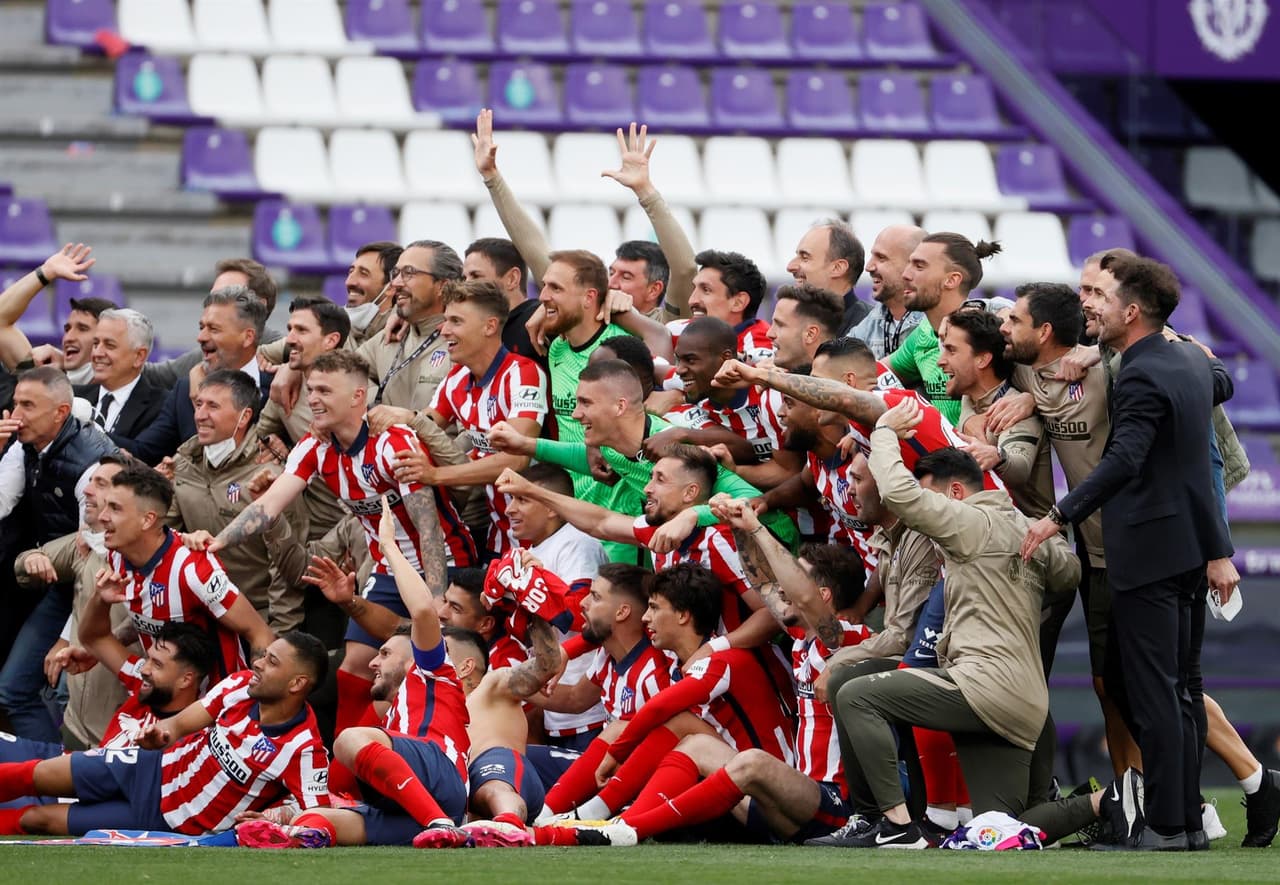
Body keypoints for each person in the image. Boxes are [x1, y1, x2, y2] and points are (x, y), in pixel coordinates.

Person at [1021, 253, 1237, 851]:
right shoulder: (1190, 358)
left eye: (1101, 297)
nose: (1088, 304)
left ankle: (1167, 824)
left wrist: (1059, 513)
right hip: (1191, 548)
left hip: (1148, 552)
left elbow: (1124, 460)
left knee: (1154, 692)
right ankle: (1187, 823)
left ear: (1132, 312)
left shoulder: (1141, 373)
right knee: (1183, 689)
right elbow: (1225, 384)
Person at [831, 400, 1088, 848]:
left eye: (934, 498)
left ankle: (894, 827)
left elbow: (899, 496)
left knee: (855, 694)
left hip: (982, 687)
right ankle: (1111, 802)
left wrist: (885, 433)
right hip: (1026, 703)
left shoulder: (970, 521)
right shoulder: (1027, 530)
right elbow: (1069, 575)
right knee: (1004, 824)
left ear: (953, 494)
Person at [208, 349, 473, 734]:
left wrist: (435, 600)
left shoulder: (393, 442)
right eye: (311, 389)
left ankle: (423, 747)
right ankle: (346, 768)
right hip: (387, 569)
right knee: (356, 666)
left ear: (358, 397)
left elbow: (429, 527)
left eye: (325, 391)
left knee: (424, 664)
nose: (313, 399)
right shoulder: (315, 447)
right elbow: (269, 506)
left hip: (445, 564)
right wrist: (215, 543)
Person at [572, 510, 871, 848]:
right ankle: (615, 821)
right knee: (697, 744)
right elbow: (765, 584)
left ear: (823, 595)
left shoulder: (845, 638)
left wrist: (758, 528)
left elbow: (660, 707)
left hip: (836, 804)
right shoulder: (802, 638)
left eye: (797, 577)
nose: (784, 587)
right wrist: (740, 527)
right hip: (795, 796)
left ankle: (630, 829)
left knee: (751, 761)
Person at [532, 563, 795, 832]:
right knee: (627, 728)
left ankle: (617, 821)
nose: (645, 618)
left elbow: (659, 707)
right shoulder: (672, 659)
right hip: (717, 787)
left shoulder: (724, 659)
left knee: (682, 726)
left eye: (655, 608)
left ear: (682, 616)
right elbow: (608, 629)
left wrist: (617, 752)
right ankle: (548, 816)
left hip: (765, 797)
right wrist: (564, 652)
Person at [0, 631, 331, 836]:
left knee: (37, 820)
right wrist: (160, 735)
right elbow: (181, 723)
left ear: (297, 683)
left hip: (169, 818)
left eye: (271, 662)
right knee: (38, 773)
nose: (258, 664)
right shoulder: (241, 685)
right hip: (151, 766)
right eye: (264, 656)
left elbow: (318, 817)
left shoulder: (304, 750)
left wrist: (277, 817)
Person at [488, 359, 799, 556]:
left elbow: (751, 502)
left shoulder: (673, 451)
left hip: (773, 545)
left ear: (620, 407)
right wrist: (524, 444)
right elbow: (590, 460)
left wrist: (692, 515)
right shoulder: (614, 445)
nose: (576, 413)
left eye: (585, 403)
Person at [494, 447, 783, 657]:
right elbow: (601, 522)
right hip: (689, 672)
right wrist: (533, 491)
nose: (647, 487)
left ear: (690, 493)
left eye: (659, 479)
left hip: (741, 672)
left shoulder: (717, 539)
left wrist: (714, 649)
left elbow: (771, 614)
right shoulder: (656, 531)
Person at [474, 114, 694, 323]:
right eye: (612, 272)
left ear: (654, 289)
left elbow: (685, 269)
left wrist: (645, 191)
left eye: (626, 277)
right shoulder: (589, 313)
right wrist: (492, 177)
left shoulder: (666, 324)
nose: (612, 283)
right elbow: (536, 252)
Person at [0, 367, 117, 742]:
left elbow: (99, 557)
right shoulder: (24, 445)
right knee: (14, 687)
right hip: (55, 581)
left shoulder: (92, 466)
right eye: (15, 402)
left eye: (28, 405)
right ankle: (48, 785)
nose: (15, 414)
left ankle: (70, 786)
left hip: (101, 591)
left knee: (67, 692)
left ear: (60, 413)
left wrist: (69, 637)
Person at [395, 280, 548, 558]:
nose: (444, 330)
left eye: (456, 321)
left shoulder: (523, 373)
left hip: (540, 543)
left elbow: (516, 460)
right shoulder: (456, 378)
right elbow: (423, 428)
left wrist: (436, 476)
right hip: (498, 538)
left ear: (489, 326)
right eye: (445, 320)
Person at [98, 464, 276, 679]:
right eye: (105, 505)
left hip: (215, 702)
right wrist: (102, 646)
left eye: (115, 508)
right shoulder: (117, 555)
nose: (102, 516)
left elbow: (259, 633)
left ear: (147, 520)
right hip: (164, 696)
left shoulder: (194, 569)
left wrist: (253, 699)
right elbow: (151, 616)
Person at [531, 563, 676, 819]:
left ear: (622, 612)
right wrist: (507, 684)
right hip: (604, 768)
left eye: (595, 597)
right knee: (512, 755)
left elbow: (659, 751)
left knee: (524, 759)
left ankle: (542, 818)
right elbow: (575, 698)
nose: (583, 604)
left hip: (634, 783)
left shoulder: (653, 673)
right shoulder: (607, 654)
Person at [170, 370, 307, 633]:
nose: (200, 415)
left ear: (244, 416)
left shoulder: (272, 480)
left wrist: (277, 636)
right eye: (198, 404)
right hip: (198, 615)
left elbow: (286, 566)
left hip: (256, 617)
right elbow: (165, 539)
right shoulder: (183, 465)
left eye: (213, 406)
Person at [13, 453, 132, 749]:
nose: (88, 490)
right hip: (78, 722)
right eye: (90, 481)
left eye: (100, 484)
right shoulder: (89, 542)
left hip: (117, 733)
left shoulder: (154, 562)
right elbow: (28, 560)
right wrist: (32, 559)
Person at [112, 287, 272, 465]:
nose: (201, 337)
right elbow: (143, 452)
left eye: (214, 329)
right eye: (201, 327)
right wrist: (83, 427)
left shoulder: (279, 389)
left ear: (248, 337)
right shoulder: (184, 390)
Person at [658, 317, 800, 490]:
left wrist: (735, 471)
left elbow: (791, 472)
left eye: (691, 360)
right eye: (678, 360)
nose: (680, 369)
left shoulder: (770, 396)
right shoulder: (694, 393)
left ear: (725, 358)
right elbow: (649, 367)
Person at [256, 295, 353, 541]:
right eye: (289, 329)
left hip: (348, 528)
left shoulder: (359, 396)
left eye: (301, 330)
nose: (289, 339)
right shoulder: (285, 388)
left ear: (331, 340)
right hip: (299, 527)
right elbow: (261, 436)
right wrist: (278, 447)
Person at [942, 307, 1054, 519]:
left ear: (982, 360)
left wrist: (997, 456)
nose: (941, 360)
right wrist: (968, 419)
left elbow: (1019, 469)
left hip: (1029, 542)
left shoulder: (1014, 412)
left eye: (951, 350)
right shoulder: (970, 398)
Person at [887, 232, 1003, 425]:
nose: (905, 274)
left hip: (991, 450)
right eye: (909, 264)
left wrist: (1028, 401)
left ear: (951, 280)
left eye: (919, 266)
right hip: (944, 452)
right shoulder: (922, 334)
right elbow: (872, 373)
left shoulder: (992, 331)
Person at [669, 250, 773, 366]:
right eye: (694, 288)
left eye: (706, 290)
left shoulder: (759, 346)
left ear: (738, 302)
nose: (692, 300)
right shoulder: (676, 331)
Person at [75, 308, 166, 438]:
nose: (97, 353)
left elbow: (140, 452)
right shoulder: (73, 397)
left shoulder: (161, 407)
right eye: (95, 344)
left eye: (109, 345)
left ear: (139, 356)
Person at [851, 225, 927, 358]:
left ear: (913, 265)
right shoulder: (874, 319)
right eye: (872, 256)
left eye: (881, 258)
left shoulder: (939, 322)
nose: (869, 267)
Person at [463, 237, 541, 363]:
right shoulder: (474, 327)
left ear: (512, 278)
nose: (466, 285)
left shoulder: (540, 320)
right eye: (464, 278)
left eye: (475, 276)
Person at [785, 219, 870, 335]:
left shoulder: (871, 329)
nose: (790, 267)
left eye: (805, 257)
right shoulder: (794, 321)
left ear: (837, 268)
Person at [766, 283, 846, 371]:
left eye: (780, 325)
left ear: (810, 334)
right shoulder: (771, 376)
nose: (769, 334)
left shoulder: (840, 381)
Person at [343, 241, 401, 345]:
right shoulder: (333, 334)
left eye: (363, 274)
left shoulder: (405, 334)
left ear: (391, 287)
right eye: (351, 272)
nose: (349, 282)